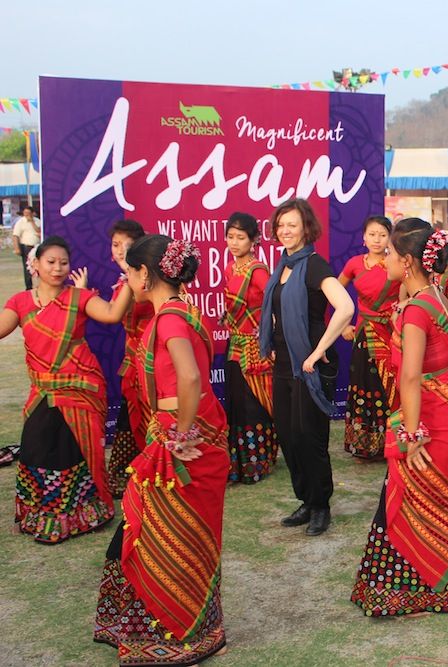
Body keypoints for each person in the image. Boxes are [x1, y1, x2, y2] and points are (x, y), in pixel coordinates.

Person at [94, 235, 229, 665]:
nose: (127, 280)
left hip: (178, 437)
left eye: (129, 273)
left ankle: (173, 633)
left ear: (144, 274)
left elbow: (189, 377)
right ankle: (183, 627)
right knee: (172, 532)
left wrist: (180, 434)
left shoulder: (168, 319)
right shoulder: (186, 310)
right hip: (189, 430)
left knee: (156, 533)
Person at [351, 219, 448, 617]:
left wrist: (413, 434)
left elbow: (410, 377)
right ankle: (438, 587)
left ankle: (420, 590)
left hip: (429, 418)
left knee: (414, 498)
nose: (382, 258)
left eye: (389, 253)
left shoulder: (417, 311)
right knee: (435, 500)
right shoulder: (437, 297)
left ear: (406, 261)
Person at [0, 236, 132, 543]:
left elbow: (112, 314)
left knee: (70, 451)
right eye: (51, 262)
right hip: (43, 391)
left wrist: (128, 274)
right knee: (36, 448)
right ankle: (34, 514)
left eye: (63, 262)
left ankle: (78, 516)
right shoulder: (20, 302)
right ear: (35, 264)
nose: (58, 268)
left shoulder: (79, 297)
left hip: (79, 389)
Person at [259, 198, 354, 536]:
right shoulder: (283, 264)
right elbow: (279, 310)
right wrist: (273, 341)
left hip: (310, 365)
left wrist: (318, 351)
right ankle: (306, 500)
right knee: (288, 435)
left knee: (309, 436)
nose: (285, 231)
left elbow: (345, 307)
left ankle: (321, 505)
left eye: (292, 225)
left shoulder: (313, 264)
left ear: (306, 229)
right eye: (281, 225)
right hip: (284, 362)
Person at [222, 212, 280, 483]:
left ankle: (259, 461)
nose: (234, 243)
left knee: (254, 403)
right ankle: (238, 462)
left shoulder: (258, 271)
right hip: (235, 345)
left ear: (254, 240)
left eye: (240, 238)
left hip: (255, 347)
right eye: (230, 237)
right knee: (236, 402)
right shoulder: (230, 269)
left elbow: (273, 305)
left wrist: (269, 337)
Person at [339, 215, 401, 460]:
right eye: (372, 234)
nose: (377, 239)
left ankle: (390, 442)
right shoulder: (354, 264)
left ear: (390, 238)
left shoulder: (396, 263)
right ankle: (363, 443)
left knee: (389, 384)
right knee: (363, 383)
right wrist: (343, 324)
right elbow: (335, 293)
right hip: (364, 334)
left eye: (382, 235)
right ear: (363, 237)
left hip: (390, 333)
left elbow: (408, 296)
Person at [105, 219, 156, 498]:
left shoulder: (147, 280)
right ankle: (129, 474)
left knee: (150, 416)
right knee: (130, 417)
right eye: (116, 245)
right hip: (132, 361)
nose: (120, 251)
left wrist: (130, 273)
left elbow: (117, 313)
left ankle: (155, 470)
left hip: (152, 359)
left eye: (127, 245)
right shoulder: (126, 280)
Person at [12, 205, 41, 290]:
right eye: (25, 213)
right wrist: (16, 248)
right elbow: (15, 236)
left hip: (36, 246)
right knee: (27, 268)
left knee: (39, 266)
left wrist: (32, 222)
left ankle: (40, 285)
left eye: (28, 213)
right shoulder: (20, 222)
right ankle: (28, 287)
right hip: (26, 247)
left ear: (32, 213)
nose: (26, 215)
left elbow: (39, 231)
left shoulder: (37, 221)